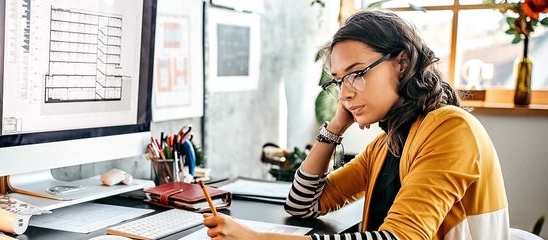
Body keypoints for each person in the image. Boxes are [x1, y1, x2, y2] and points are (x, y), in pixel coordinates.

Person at [203, 10, 509, 240]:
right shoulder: (386, 145)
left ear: (401, 62)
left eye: (357, 73)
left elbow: (400, 238)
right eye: (338, 81)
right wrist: (335, 125)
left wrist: (256, 238)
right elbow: (302, 206)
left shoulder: (451, 129)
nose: (346, 92)